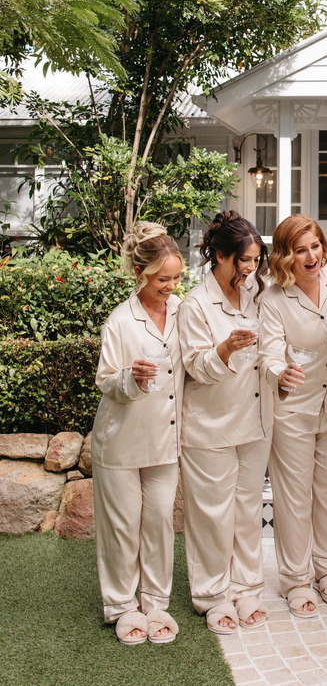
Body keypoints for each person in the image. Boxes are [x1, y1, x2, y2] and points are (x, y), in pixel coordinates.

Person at [177, 211, 274, 634]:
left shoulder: (255, 293)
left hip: (254, 420)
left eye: (255, 260)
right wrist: (225, 348)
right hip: (210, 426)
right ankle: (213, 595)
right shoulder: (195, 304)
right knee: (212, 516)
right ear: (219, 255)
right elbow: (196, 367)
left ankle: (246, 586)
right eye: (243, 260)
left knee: (248, 510)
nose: (250, 268)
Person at [92, 221, 184, 645]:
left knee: (160, 521)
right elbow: (105, 379)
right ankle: (121, 606)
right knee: (123, 528)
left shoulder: (183, 311)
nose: (171, 286)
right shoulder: (120, 321)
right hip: (121, 441)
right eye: (163, 279)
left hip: (165, 439)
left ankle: (155, 602)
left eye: (176, 278)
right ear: (140, 273)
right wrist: (132, 376)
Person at [259, 215, 327, 618]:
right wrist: (279, 373)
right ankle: (296, 579)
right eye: (300, 250)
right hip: (293, 410)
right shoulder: (274, 298)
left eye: (315, 246)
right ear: (285, 255)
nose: (311, 256)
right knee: (294, 497)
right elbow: (268, 352)